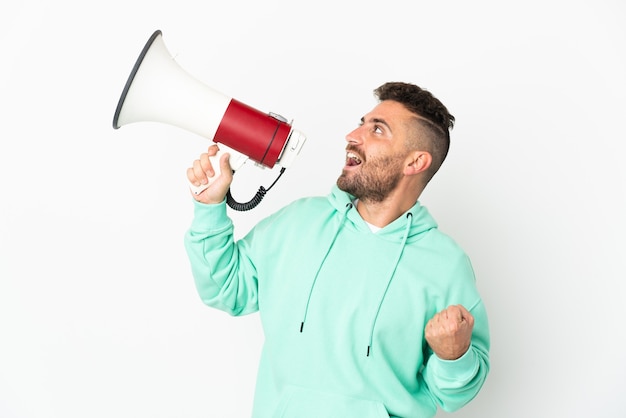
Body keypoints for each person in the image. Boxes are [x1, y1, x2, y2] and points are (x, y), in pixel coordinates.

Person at [184, 82, 490, 417]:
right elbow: (226, 289)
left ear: (415, 161)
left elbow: (454, 394)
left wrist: (454, 356)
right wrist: (210, 208)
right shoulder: (297, 222)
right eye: (362, 122)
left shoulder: (446, 265)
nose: (352, 135)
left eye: (377, 130)